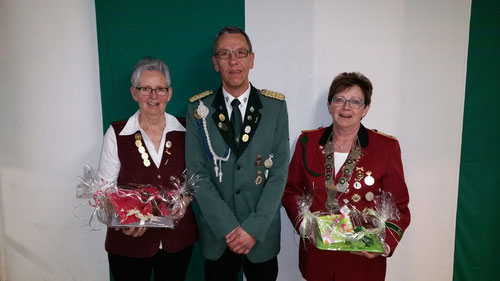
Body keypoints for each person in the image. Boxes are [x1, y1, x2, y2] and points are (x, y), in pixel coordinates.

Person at [282, 72, 411, 281]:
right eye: (339, 100)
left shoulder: (386, 147)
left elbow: (399, 206)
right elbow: (291, 191)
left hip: (362, 263)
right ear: (329, 105)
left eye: (355, 101)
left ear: (365, 109)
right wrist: (306, 226)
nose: (346, 107)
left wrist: (383, 245)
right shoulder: (308, 142)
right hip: (318, 259)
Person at [185, 26, 289, 281]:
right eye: (224, 54)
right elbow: (197, 173)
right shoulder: (198, 108)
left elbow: (278, 173)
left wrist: (253, 229)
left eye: (241, 52)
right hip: (219, 235)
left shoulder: (275, 107)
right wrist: (229, 228)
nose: (233, 61)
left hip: (261, 236)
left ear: (252, 59)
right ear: (215, 63)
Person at [97, 57, 198, 281]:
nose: (154, 96)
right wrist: (123, 219)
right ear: (134, 93)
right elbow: (104, 192)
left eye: (160, 89)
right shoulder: (117, 133)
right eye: (146, 89)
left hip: (177, 241)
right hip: (129, 243)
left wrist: (186, 201)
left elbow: (198, 178)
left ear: (169, 93)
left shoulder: (187, 130)